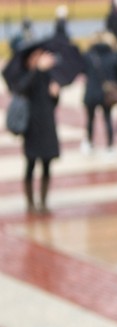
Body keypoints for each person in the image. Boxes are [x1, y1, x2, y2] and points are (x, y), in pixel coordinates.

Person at [12, 48, 60, 214]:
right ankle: (30, 202)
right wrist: (37, 70)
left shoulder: (48, 76)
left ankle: (44, 201)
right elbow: (22, 89)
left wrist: (55, 95)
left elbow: (52, 103)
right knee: (31, 163)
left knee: (47, 163)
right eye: (36, 57)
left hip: (46, 124)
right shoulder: (27, 75)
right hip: (31, 126)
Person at [81, 32, 117, 154]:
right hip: (107, 93)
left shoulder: (88, 56)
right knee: (108, 118)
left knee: (90, 119)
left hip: (91, 92)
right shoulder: (114, 56)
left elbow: (83, 70)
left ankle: (89, 143)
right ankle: (110, 145)